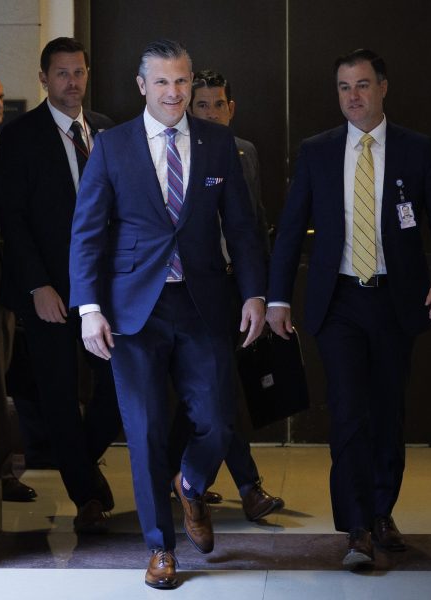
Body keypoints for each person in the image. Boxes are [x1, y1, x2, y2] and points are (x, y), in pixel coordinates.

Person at [69, 39, 268, 590]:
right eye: (162, 81)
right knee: (145, 430)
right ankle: (160, 548)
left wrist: (254, 293)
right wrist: (89, 308)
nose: (174, 92)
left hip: (203, 304)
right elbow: (87, 232)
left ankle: (191, 482)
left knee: (218, 420)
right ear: (142, 86)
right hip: (132, 311)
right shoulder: (112, 146)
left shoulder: (218, 143)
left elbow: (242, 227)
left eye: (181, 81)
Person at [266, 48, 431, 569]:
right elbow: (291, 229)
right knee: (349, 410)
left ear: (382, 87)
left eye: (361, 85)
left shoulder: (417, 150)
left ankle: (381, 512)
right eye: (343, 87)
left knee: (387, 409)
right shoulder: (318, 151)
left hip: (396, 299)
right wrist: (278, 297)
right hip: (339, 300)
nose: (352, 96)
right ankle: (355, 527)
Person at [0, 37, 120, 533]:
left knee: (119, 384)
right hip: (48, 290)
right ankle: (86, 496)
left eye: (79, 72)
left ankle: (80, 461)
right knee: (59, 394)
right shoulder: (20, 135)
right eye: (62, 73)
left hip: (104, 289)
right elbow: (13, 218)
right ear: (44, 78)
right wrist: (37, 286)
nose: (73, 82)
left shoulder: (106, 130)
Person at [164, 69, 284, 522]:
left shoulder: (244, 152)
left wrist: (263, 292)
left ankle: (183, 475)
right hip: (195, 290)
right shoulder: (177, 153)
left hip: (238, 286)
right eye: (202, 105)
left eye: (219, 105)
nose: (211, 113)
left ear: (231, 109)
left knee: (220, 390)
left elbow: (252, 223)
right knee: (218, 389)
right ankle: (245, 485)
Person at [0, 69, 36, 503]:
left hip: (1, 273)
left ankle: (3, 471)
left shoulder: (0, 141)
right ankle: (1, 473)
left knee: (1, 374)